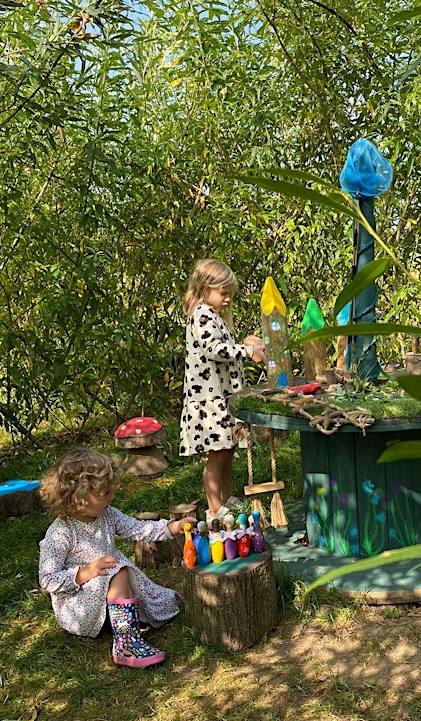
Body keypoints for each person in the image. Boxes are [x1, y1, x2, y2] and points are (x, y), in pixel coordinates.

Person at [39, 448, 194, 668]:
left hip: (107, 591)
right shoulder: (61, 532)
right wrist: (85, 572)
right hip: (79, 606)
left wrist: (171, 527)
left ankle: (124, 624)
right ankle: (126, 643)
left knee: (124, 574)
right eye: (105, 493)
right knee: (118, 569)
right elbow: (47, 580)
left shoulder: (107, 514)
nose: (112, 497)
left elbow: (136, 529)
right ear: (80, 497)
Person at [179, 258, 265, 521]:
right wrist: (248, 351)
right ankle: (214, 510)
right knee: (216, 456)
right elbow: (215, 350)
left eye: (230, 293)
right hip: (209, 401)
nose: (228, 299)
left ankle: (224, 502)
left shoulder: (213, 316)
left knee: (227, 450)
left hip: (221, 398)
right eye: (223, 293)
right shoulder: (201, 314)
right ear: (205, 289)